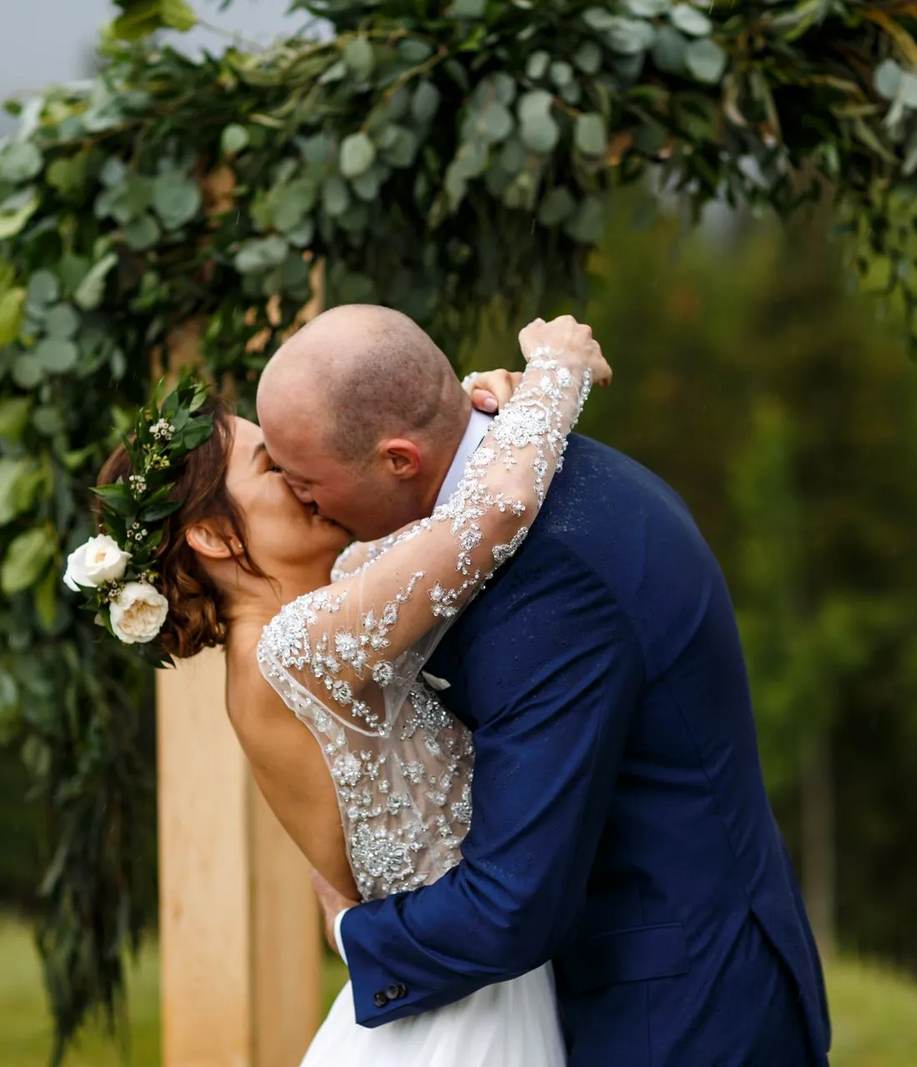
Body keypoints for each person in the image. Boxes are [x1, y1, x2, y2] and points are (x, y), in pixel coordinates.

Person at [256, 305, 831, 1067]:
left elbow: (512, 902)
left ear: (399, 460)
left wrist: (350, 931)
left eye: (306, 481)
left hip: (677, 1011)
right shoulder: (515, 468)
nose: (305, 502)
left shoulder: (550, 576)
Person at [68, 314, 607, 1064]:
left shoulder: (307, 622)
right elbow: (500, 505)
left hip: (440, 981)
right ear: (217, 538)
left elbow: (449, 507)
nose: (303, 479)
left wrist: (478, 409)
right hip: (471, 1009)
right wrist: (557, 366)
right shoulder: (299, 644)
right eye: (273, 468)